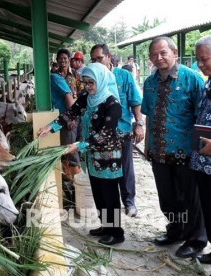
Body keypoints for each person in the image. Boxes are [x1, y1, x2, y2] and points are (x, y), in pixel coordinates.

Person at [38, 63, 124, 245]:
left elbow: (105, 135)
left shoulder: (112, 103)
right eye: (85, 83)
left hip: (108, 157)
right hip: (92, 157)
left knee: (109, 195)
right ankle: (105, 226)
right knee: (98, 192)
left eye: (91, 83)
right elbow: (71, 114)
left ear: (101, 81)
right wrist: (50, 128)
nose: (88, 87)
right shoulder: (87, 96)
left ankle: (116, 232)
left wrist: (79, 145)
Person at [142, 36, 207, 258]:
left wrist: (200, 149)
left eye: (163, 53)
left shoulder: (192, 79)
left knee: (190, 197)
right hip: (158, 150)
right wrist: (147, 145)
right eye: (153, 54)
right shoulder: (149, 83)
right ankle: (175, 230)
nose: (158, 58)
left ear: (174, 53)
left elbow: (203, 117)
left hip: (187, 151)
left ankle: (196, 239)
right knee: (167, 197)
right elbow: (149, 115)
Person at [90, 44, 144, 218]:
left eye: (99, 58)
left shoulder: (123, 76)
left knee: (125, 167)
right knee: (107, 173)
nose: (97, 62)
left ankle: (129, 202)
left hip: (122, 130)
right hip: (102, 137)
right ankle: (109, 218)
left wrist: (139, 123)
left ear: (108, 57)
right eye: (93, 59)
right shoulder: (94, 79)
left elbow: (135, 100)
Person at [190, 35, 211, 264]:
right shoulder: (209, 82)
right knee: (210, 212)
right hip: (204, 164)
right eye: (198, 59)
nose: (200, 64)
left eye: (204, 59)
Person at [50, 63, 80, 181]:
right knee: (65, 151)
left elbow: (68, 96)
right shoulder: (50, 79)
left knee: (70, 151)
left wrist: (71, 118)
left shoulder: (55, 78)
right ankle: (70, 180)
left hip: (67, 119)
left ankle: (77, 185)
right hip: (59, 119)